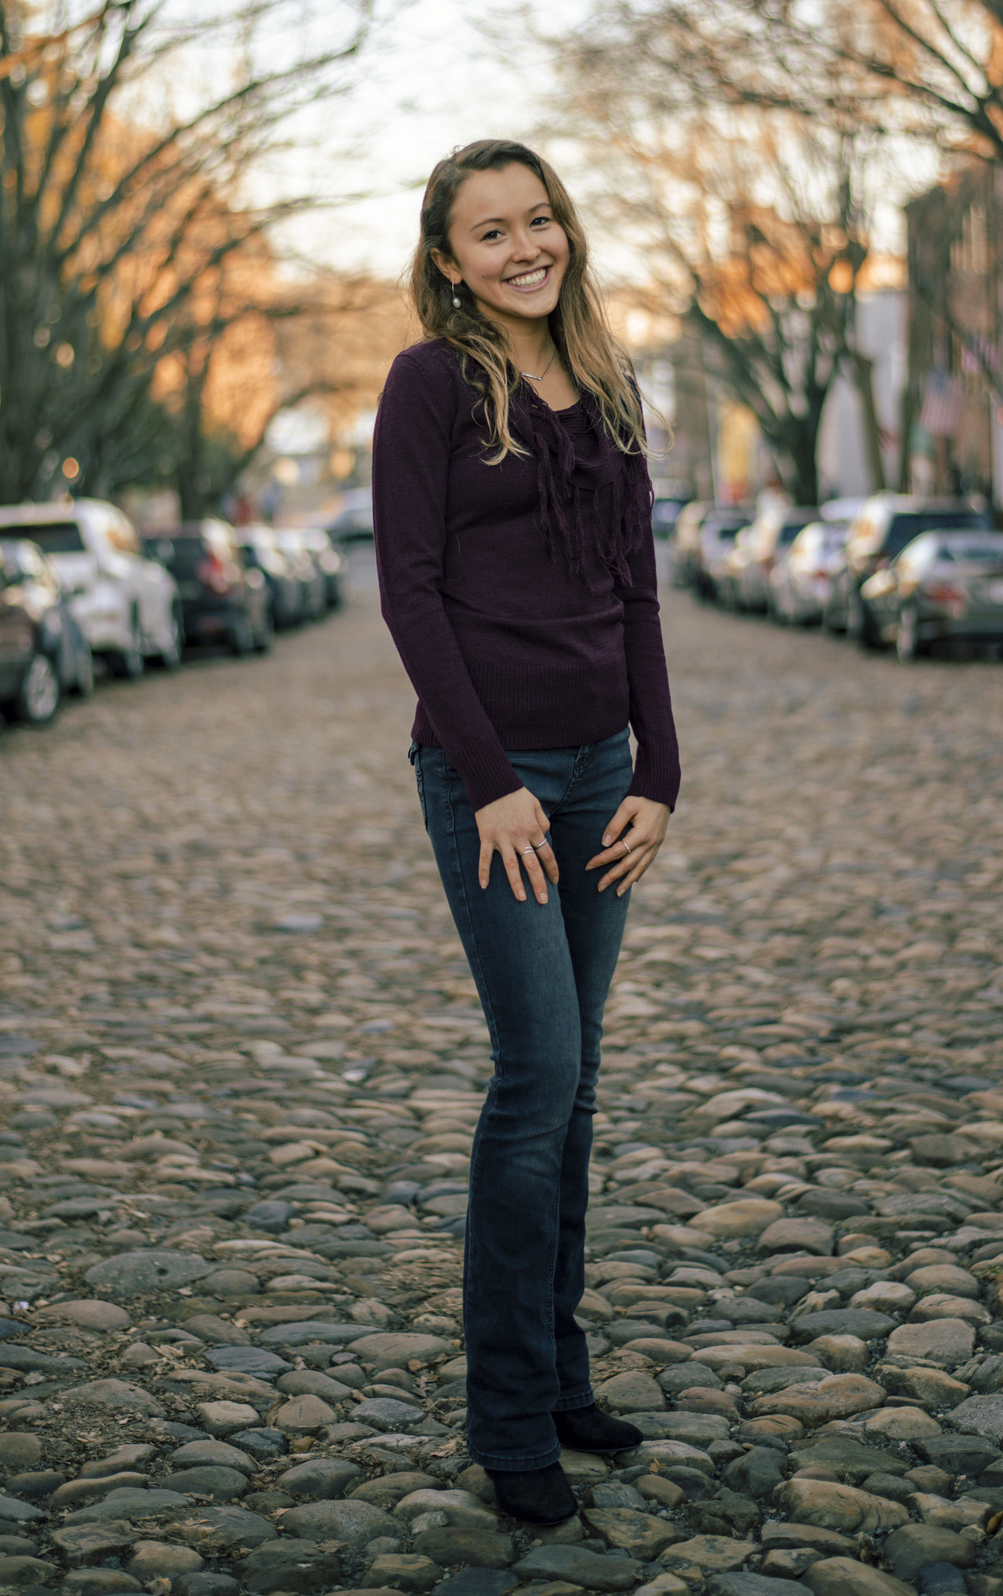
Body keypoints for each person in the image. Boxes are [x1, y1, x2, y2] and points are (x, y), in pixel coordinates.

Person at [372, 139, 682, 1524]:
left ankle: (560, 1375)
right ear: (448, 259)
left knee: (580, 1085)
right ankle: (507, 1421)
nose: (522, 246)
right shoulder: (431, 383)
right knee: (534, 1073)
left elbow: (637, 596)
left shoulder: (609, 387)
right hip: (493, 783)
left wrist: (658, 768)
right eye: (488, 231)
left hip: (600, 773)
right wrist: (491, 774)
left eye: (537, 218)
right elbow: (410, 591)